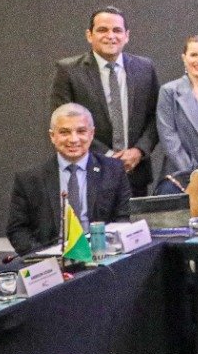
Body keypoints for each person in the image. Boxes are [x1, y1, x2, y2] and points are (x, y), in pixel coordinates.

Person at [51, 6, 160, 195]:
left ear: (126, 36)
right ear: (89, 35)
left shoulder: (145, 68)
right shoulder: (68, 71)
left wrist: (138, 151)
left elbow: (156, 117)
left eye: (117, 30)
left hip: (134, 172)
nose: (110, 36)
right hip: (88, 170)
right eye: (102, 30)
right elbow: (63, 123)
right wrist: (108, 157)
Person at [8, 103, 131, 254]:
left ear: (92, 134)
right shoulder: (29, 180)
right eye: (64, 132)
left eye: (81, 131)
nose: (73, 139)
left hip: (102, 254)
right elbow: (17, 230)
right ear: (52, 136)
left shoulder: (114, 170)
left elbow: (123, 218)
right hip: (51, 258)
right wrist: (43, 256)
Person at [155, 35, 198, 195]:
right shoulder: (169, 91)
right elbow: (168, 136)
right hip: (179, 177)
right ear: (184, 58)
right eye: (194, 55)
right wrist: (194, 175)